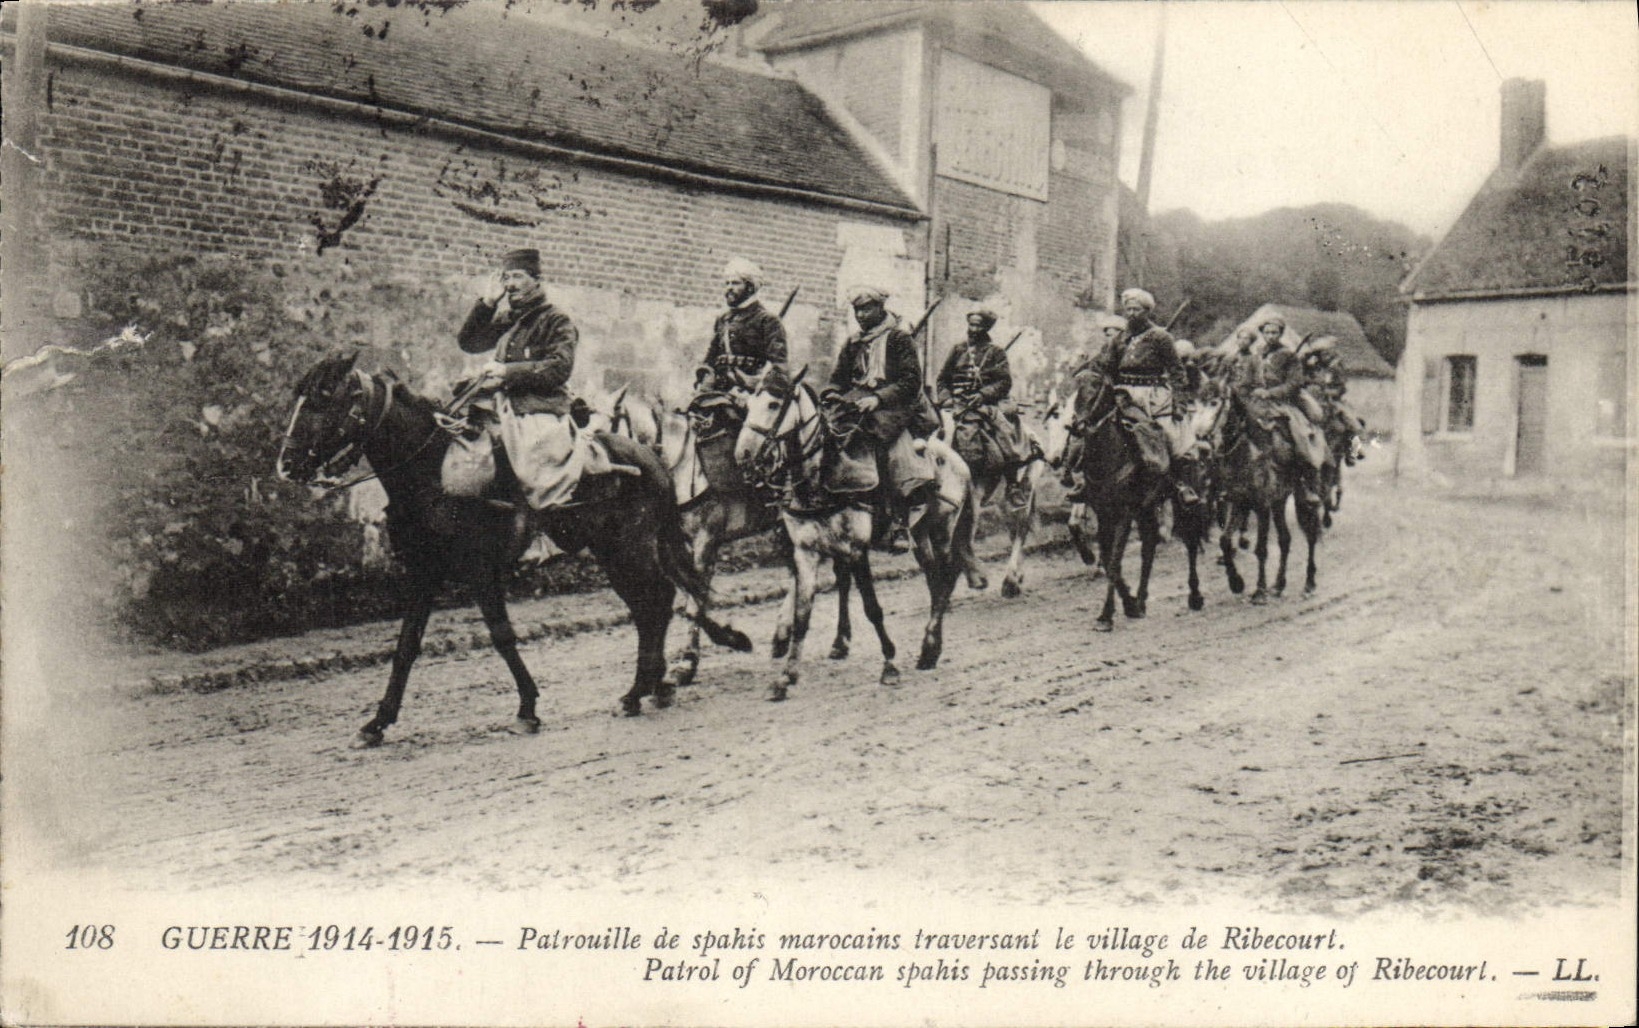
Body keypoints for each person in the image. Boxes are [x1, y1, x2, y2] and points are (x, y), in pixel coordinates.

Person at [450, 247, 630, 513]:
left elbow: (560, 368)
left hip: (538, 406)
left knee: (534, 466)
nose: (510, 285)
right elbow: (470, 343)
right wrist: (487, 303)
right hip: (501, 402)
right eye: (506, 278)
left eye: (518, 277)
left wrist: (507, 371)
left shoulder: (556, 320)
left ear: (536, 279)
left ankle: (541, 526)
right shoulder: (510, 318)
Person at [826, 285, 939, 540]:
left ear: (880, 308)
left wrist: (877, 398)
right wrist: (832, 393)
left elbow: (911, 381)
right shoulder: (853, 342)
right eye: (857, 310)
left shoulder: (899, 339)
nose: (861, 315)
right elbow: (838, 378)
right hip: (856, 404)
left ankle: (899, 518)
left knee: (889, 450)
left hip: (894, 406)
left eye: (867, 308)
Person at [1099, 288, 1201, 505]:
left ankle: (1182, 484)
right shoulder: (1120, 338)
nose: (1131, 314)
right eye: (1128, 309)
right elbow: (1108, 367)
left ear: (1147, 311)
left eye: (1137, 309)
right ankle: (1084, 479)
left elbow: (1177, 371)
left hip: (1153, 396)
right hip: (1123, 395)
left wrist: (1179, 403)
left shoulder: (1161, 337)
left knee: (1172, 437)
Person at [936, 309, 1034, 482]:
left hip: (981, 404)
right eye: (971, 324)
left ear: (986, 328)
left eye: (978, 325)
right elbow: (943, 379)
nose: (973, 329)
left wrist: (982, 394)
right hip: (954, 403)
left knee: (1001, 437)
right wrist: (946, 398)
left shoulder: (996, 353)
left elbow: (1004, 382)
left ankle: (1011, 481)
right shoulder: (958, 349)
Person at [1239, 313, 1329, 501]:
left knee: (1301, 435)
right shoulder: (1255, 357)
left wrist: (1271, 393)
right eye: (1267, 332)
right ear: (1262, 334)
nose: (1271, 335)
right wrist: (1243, 394)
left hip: (1283, 404)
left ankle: (1308, 483)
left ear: (1280, 334)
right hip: (1257, 404)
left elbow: (1294, 383)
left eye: (1275, 332)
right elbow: (1246, 382)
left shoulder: (1289, 356)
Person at [697, 257, 788, 395]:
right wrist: (706, 377)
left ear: (750, 287)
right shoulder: (723, 319)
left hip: (749, 395)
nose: (729, 288)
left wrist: (759, 387)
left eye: (735, 283)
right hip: (718, 391)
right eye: (727, 283)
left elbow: (779, 366)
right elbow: (710, 358)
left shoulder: (768, 320)